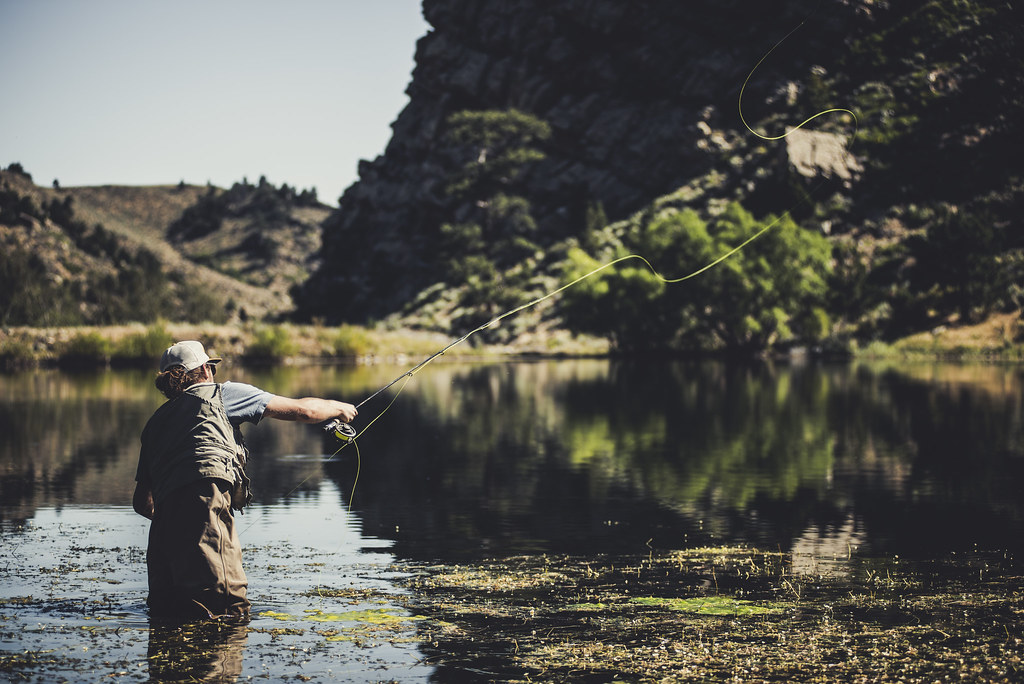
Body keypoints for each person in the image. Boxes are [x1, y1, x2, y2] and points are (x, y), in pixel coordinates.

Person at [133, 340, 357, 620]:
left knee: (169, 616)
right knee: (229, 611)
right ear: (205, 369)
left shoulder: (154, 423)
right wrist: (338, 407)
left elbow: (142, 503)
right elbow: (304, 411)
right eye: (211, 367)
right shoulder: (223, 394)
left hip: (163, 541)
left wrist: (179, 521)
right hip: (206, 512)